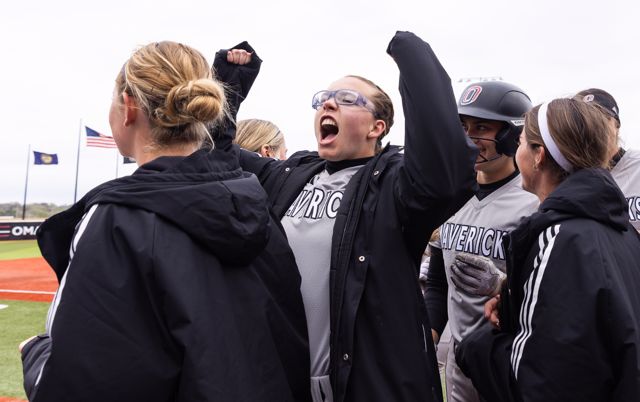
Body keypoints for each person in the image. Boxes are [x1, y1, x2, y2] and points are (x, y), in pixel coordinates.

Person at [20, 41, 310, 402]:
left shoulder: (117, 218)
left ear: (128, 107)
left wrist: (35, 356)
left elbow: (85, 382)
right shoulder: (255, 204)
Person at [216, 31, 478, 402]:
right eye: (323, 99)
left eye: (346, 99)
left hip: (364, 387)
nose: (328, 104)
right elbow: (215, 153)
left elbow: (445, 168)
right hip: (285, 382)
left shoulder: (394, 185)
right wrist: (228, 85)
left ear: (376, 127)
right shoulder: (291, 174)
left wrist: (412, 54)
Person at [456, 98, 640, 402]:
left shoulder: (559, 236)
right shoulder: (620, 230)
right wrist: (512, 299)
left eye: (520, 142)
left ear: (538, 155)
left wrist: (475, 349)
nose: (517, 151)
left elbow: (537, 380)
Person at [424, 81, 538, 402]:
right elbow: (438, 283)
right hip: (459, 362)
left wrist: (504, 287)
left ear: (511, 135)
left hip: (510, 358)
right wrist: (429, 334)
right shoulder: (450, 195)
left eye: (482, 127)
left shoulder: (532, 200)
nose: (469, 137)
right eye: (463, 127)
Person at [574, 88, 640, 231]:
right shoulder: (566, 178)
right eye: (583, 121)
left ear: (617, 125)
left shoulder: (637, 165)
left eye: (601, 120)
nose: (593, 127)